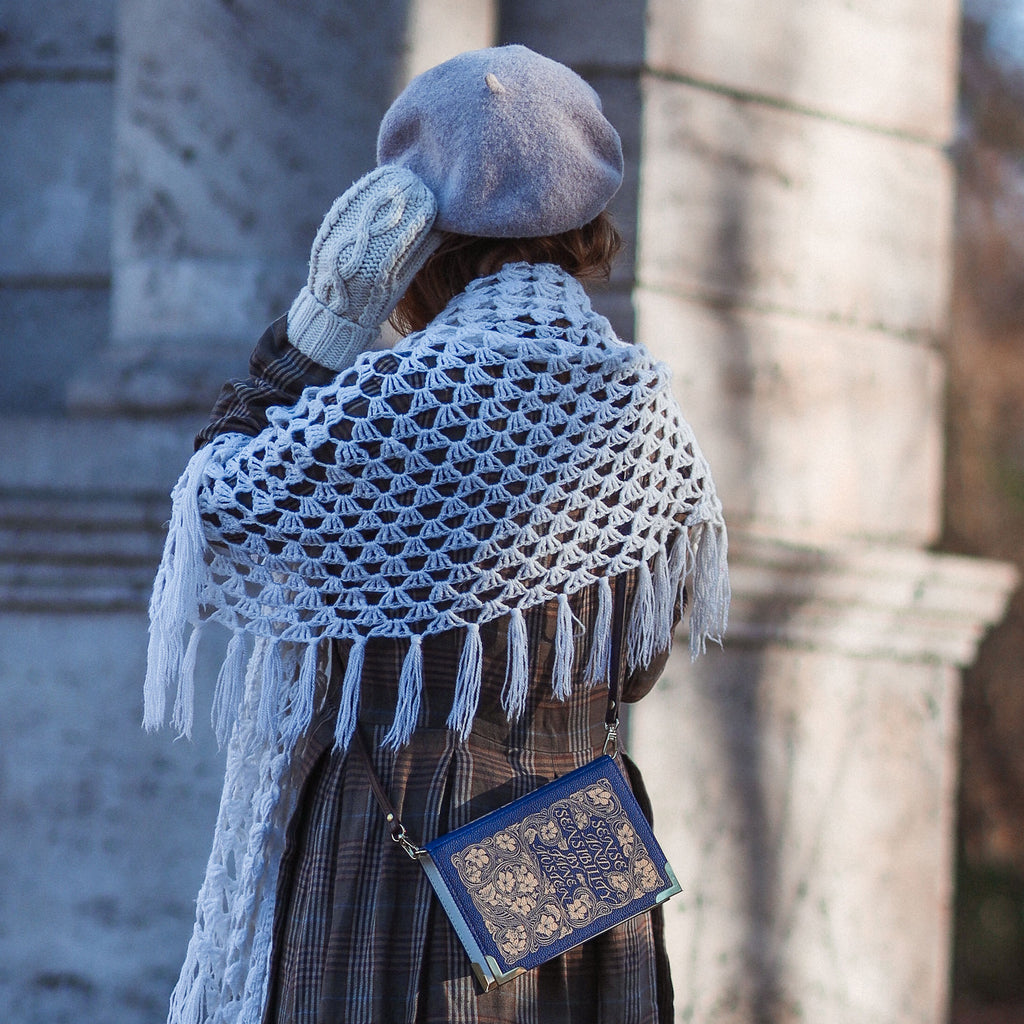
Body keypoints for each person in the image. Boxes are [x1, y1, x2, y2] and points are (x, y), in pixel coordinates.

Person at [144, 45, 729, 1024]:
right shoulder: (645, 416)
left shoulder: (372, 409)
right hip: (573, 858)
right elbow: (635, 670)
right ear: (588, 224)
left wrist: (314, 336)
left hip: (389, 856)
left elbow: (214, 513)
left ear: (409, 238)